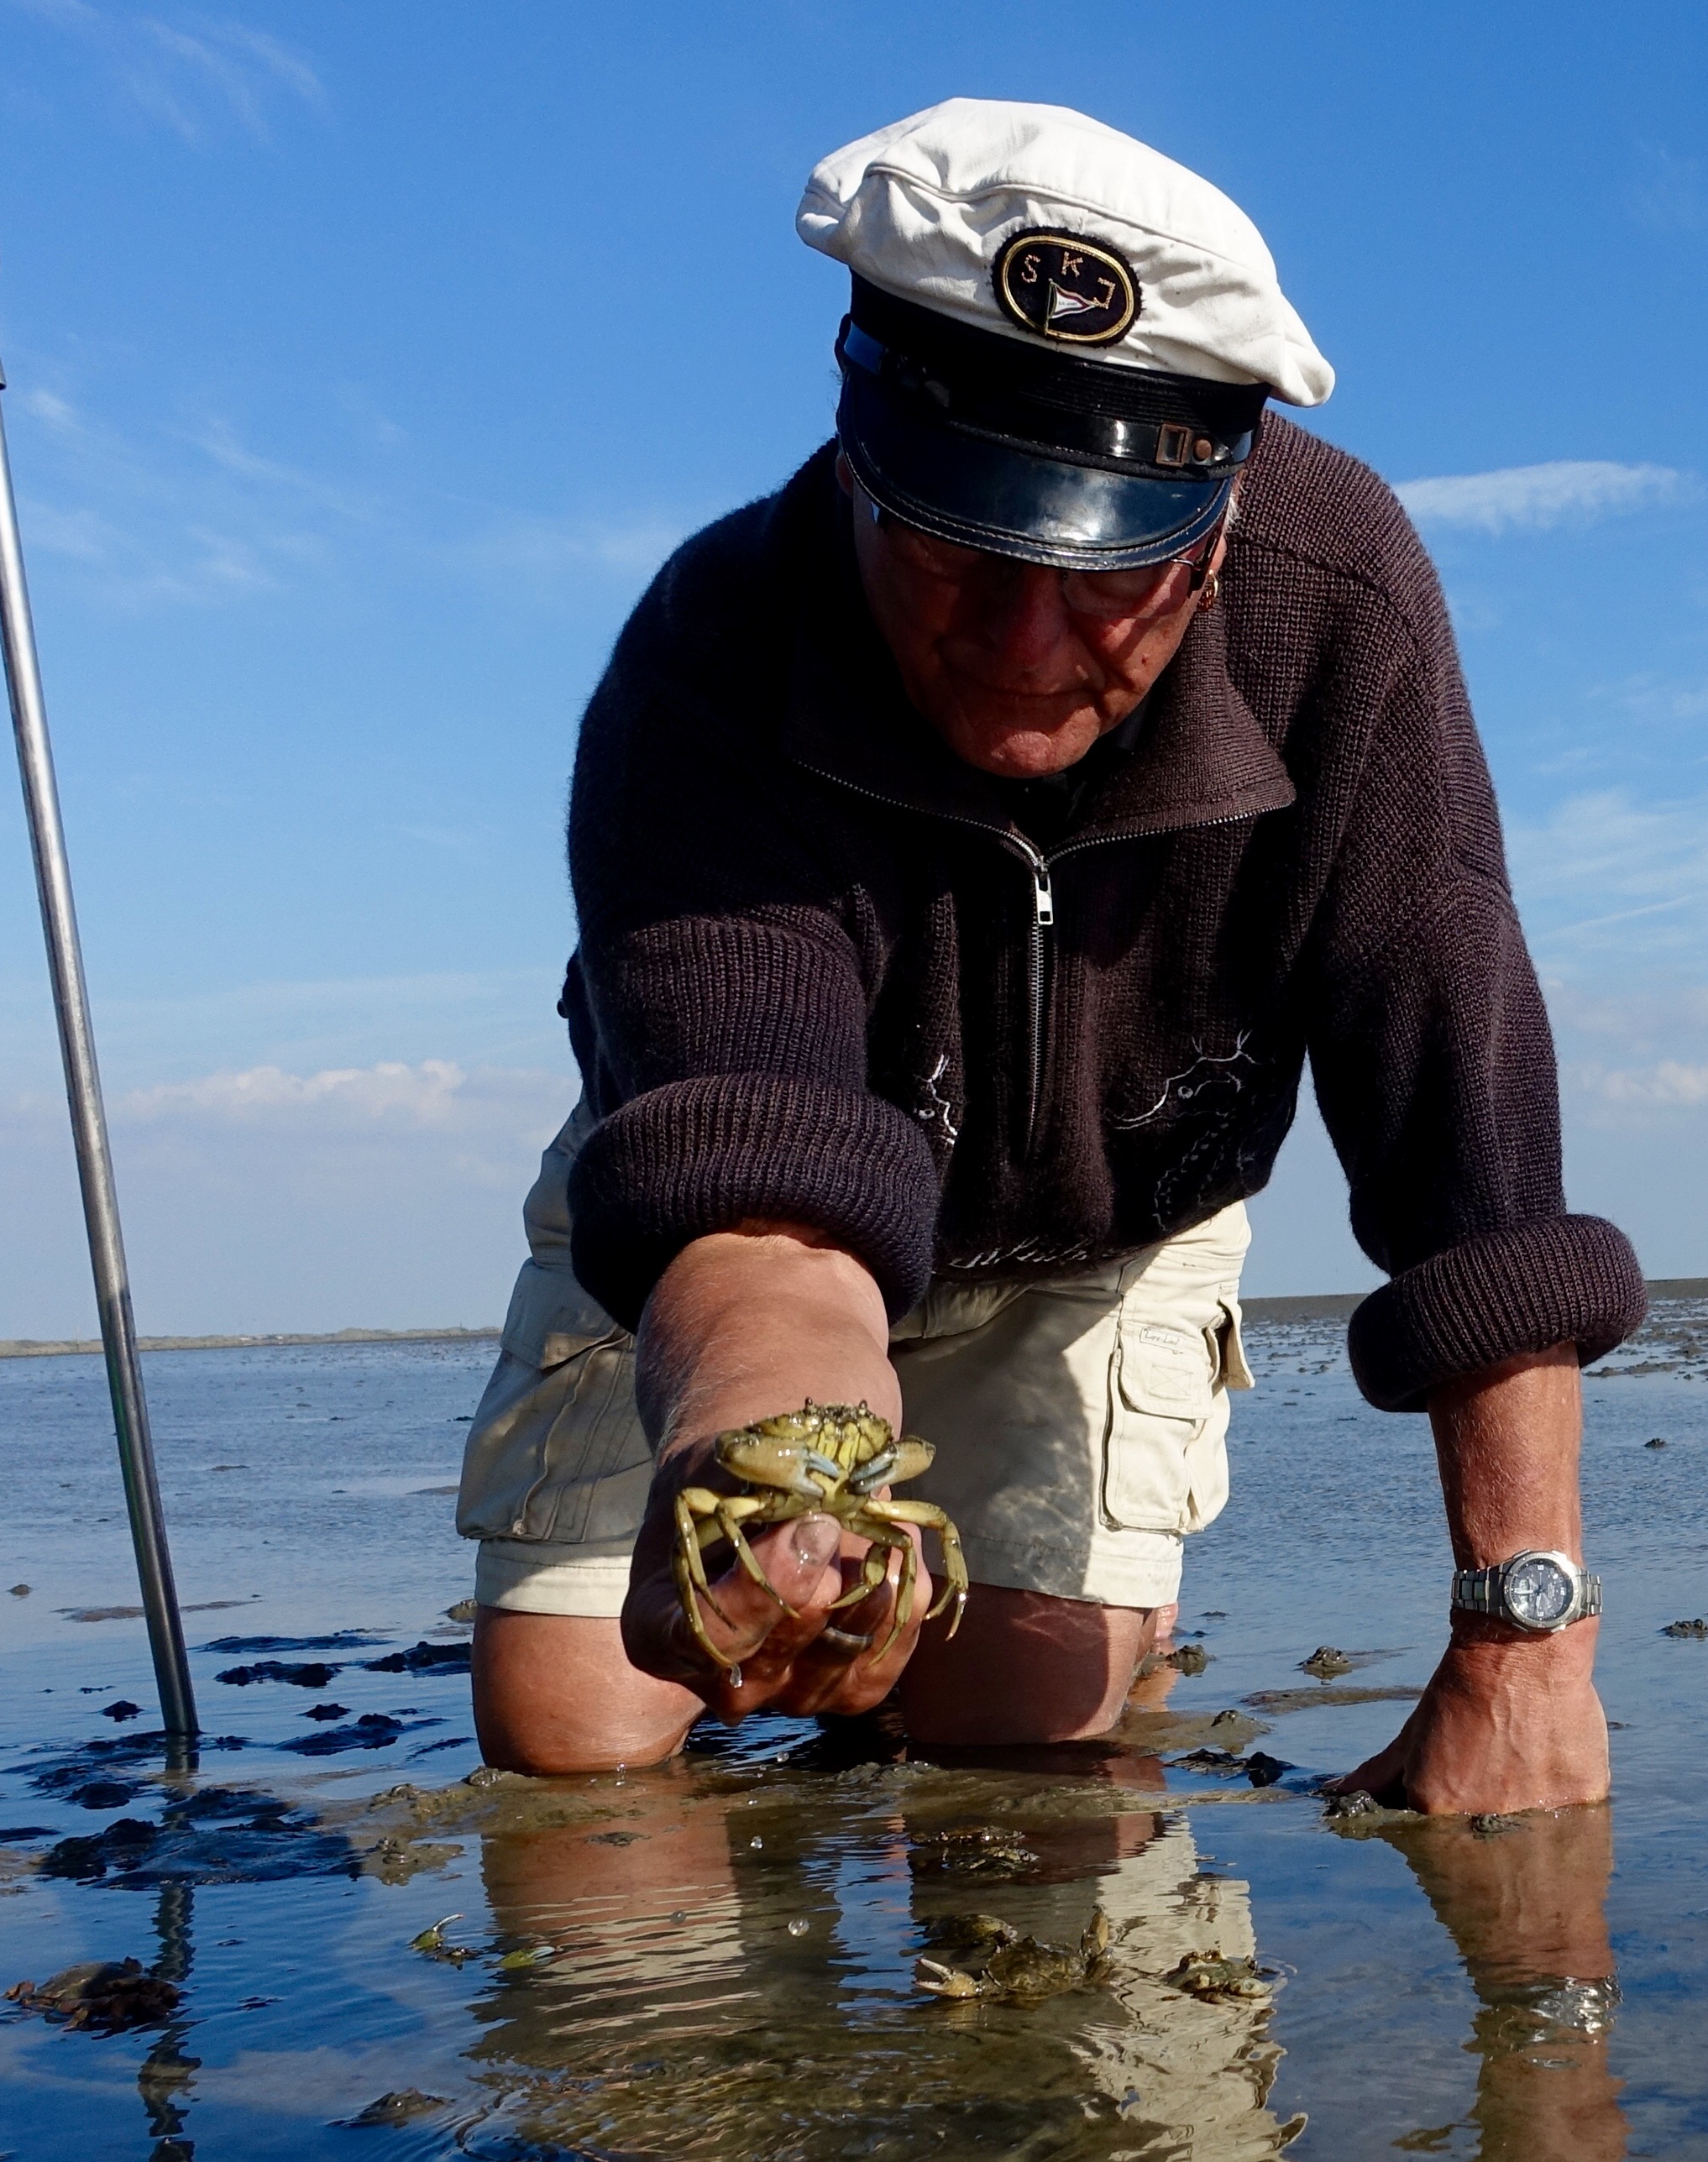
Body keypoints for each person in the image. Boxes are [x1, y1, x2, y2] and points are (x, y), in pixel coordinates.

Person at [454, 99, 1639, 1810]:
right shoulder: (714, 652)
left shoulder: (1343, 598)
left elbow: (1467, 1151)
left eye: (1104, 574)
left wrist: (1522, 1646)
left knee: (1022, 1726)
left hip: (1120, 1208)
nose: (1023, 643)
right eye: (955, 544)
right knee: (579, 1726)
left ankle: (983, 1654)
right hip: (738, 1217)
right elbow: (764, 1204)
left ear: (1220, 528)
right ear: (857, 449)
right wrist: (781, 1490)